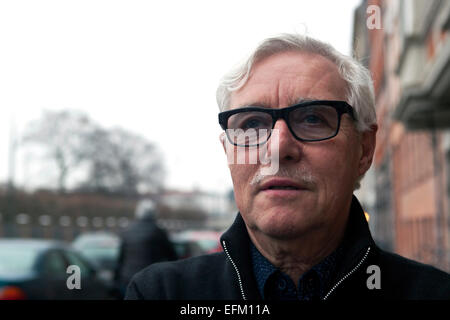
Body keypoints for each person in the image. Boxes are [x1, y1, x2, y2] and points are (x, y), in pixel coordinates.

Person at [125, 34, 450, 300]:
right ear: (228, 152)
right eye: (252, 124)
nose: (278, 148)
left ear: (364, 149)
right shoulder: (161, 294)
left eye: (312, 119)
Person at [114, 199, 177, 298]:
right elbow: (172, 256)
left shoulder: (127, 230)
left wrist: (116, 278)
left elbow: (120, 258)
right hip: (150, 279)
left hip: (127, 278)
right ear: (154, 213)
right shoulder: (158, 231)